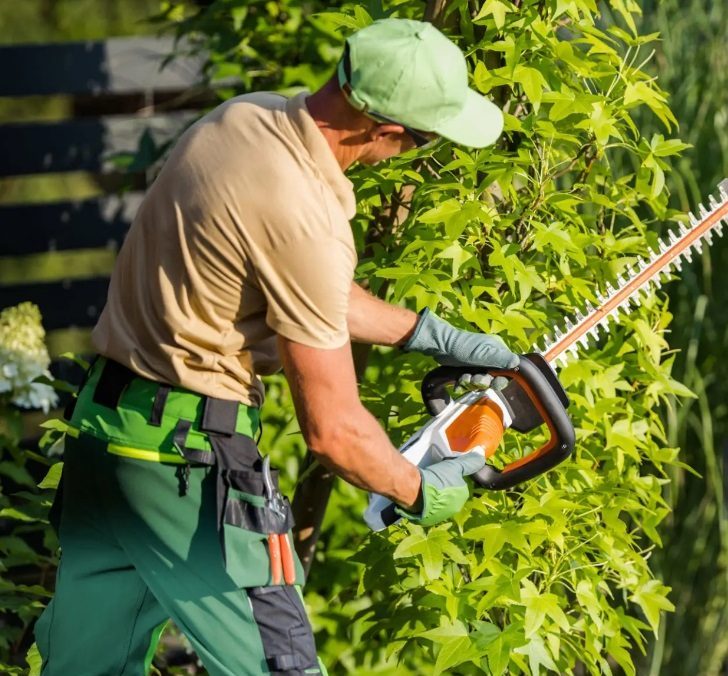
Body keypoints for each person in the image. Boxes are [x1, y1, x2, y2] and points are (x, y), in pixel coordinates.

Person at [34, 17, 516, 676]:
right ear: (386, 131)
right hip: (188, 475)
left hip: (105, 442)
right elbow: (334, 431)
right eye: (423, 141)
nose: (413, 154)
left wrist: (426, 334)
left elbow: (296, 281)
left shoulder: (244, 122)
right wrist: (421, 491)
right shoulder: (306, 214)